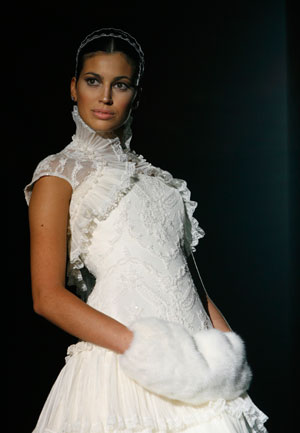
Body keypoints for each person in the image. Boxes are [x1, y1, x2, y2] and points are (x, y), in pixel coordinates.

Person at [25, 28, 268, 433]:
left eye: (120, 85)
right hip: (123, 363)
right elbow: (47, 297)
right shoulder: (58, 175)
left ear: (135, 94)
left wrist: (228, 353)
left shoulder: (162, 183)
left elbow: (190, 283)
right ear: (73, 88)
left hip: (201, 366)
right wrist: (145, 350)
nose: (105, 97)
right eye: (92, 81)